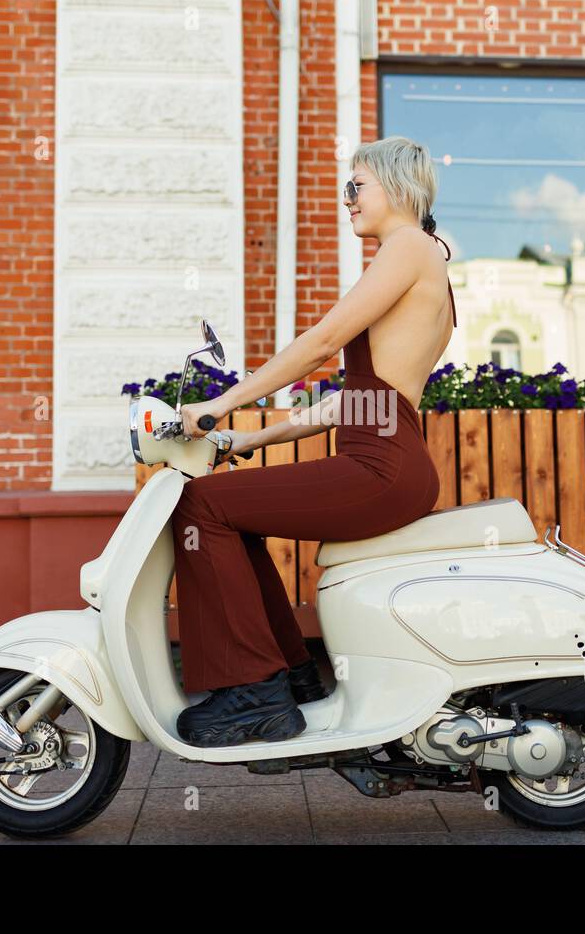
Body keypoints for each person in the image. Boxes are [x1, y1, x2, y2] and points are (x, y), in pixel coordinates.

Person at [170, 136, 459, 748]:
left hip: (381, 464)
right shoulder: (426, 258)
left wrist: (222, 401)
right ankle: (290, 675)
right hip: (389, 454)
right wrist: (247, 439)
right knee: (231, 513)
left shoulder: (407, 247)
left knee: (202, 508)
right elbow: (354, 402)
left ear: (396, 187)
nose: (346, 198)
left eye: (356, 186)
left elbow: (323, 342)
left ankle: (254, 692)